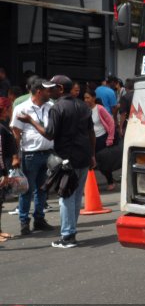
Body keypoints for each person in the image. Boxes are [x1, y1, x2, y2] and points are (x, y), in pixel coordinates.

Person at [17, 75, 95, 249]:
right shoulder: (83, 106)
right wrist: (92, 155)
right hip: (83, 157)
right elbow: (91, 133)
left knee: (66, 196)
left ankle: (68, 236)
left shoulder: (57, 108)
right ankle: (71, 231)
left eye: (51, 88)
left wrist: (31, 121)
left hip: (67, 160)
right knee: (75, 196)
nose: (48, 91)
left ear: (60, 88)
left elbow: (50, 134)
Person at [10, 78, 56, 235]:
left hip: (48, 154)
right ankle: (24, 221)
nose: (51, 93)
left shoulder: (51, 107)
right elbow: (16, 134)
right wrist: (15, 156)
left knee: (43, 189)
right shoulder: (22, 108)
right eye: (48, 90)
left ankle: (39, 219)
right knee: (26, 190)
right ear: (39, 91)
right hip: (30, 155)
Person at [84, 88, 116, 190]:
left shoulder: (100, 108)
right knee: (89, 162)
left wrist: (110, 138)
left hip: (101, 139)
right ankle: (90, 185)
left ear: (93, 98)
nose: (86, 100)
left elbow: (111, 122)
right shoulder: (84, 110)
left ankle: (110, 181)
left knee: (103, 162)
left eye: (88, 97)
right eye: (84, 98)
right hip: (89, 140)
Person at [0, 97, 19, 242]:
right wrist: (4, 173)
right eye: (10, 108)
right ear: (5, 109)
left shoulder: (4, 125)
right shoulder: (1, 128)